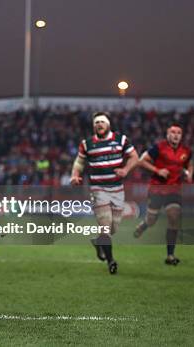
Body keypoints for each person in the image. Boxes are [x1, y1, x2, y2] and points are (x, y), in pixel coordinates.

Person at [70, 112, 138, 274]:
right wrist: (75, 175)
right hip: (98, 189)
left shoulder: (120, 140)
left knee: (113, 227)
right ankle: (111, 261)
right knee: (106, 226)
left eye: (102, 122)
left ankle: (99, 242)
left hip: (117, 190)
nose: (99, 124)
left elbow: (134, 156)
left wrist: (126, 169)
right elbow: (79, 162)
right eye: (96, 123)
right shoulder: (87, 144)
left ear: (108, 124)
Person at [133, 123, 194, 265]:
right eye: (173, 132)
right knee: (152, 220)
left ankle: (170, 255)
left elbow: (190, 163)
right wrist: (157, 170)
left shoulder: (186, 151)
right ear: (168, 134)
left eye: (179, 132)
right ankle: (144, 225)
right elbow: (142, 161)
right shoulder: (159, 148)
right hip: (157, 189)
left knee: (174, 217)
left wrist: (189, 174)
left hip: (174, 190)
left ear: (182, 135)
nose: (176, 135)